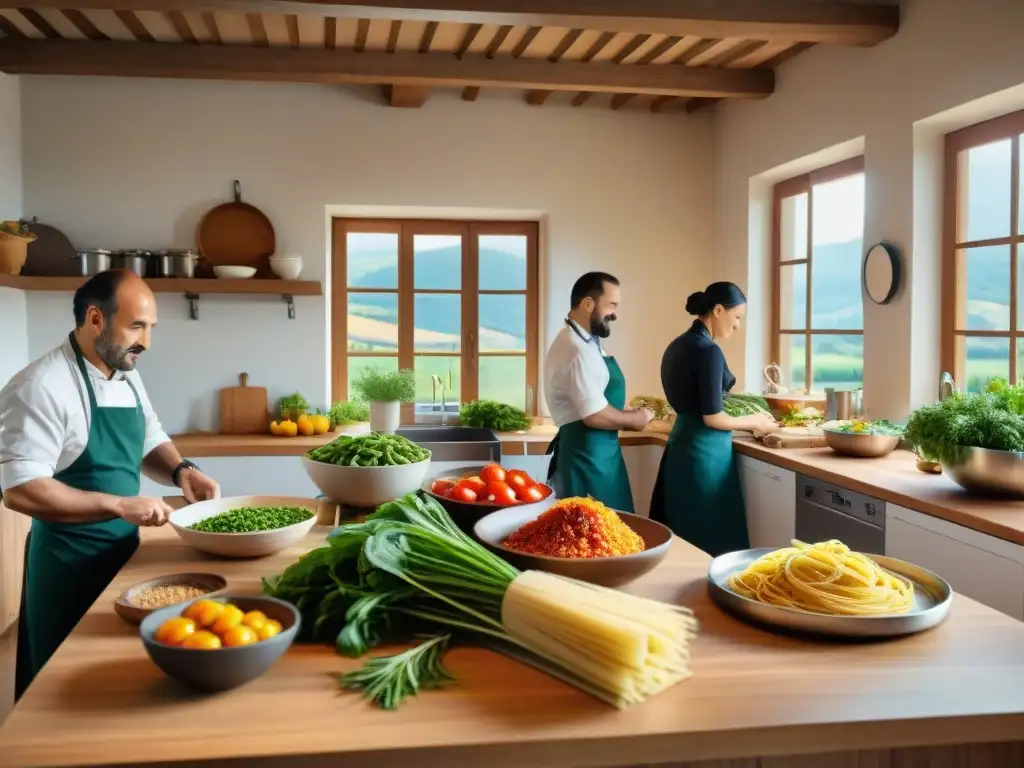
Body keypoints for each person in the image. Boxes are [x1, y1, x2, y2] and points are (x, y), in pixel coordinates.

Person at [0, 269, 221, 699]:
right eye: (137, 326)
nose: (146, 342)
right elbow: (21, 489)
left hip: (125, 555)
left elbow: (149, 436)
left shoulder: (125, 370)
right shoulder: (39, 387)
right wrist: (120, 505)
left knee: (118, 682)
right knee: (59, 690)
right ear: (96, 319)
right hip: (67, 565)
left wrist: (181, 471)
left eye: (151, 327)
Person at [649, 282, 778, 556]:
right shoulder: (709, 351)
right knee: (709, 541)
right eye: (737, 317)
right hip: (705, 457)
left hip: (681, 447)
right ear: (718, 310)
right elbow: (713, 417)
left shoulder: (678, 345)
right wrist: (755, 420)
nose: (738, 326)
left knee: (682, 539)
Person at [543, 272, 653, 512]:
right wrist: (635, 419)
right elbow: (594, 415)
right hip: (587, 462)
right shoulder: (575, 349)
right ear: (587, 304)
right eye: (611, 305)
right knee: (596, 539)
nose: (615, 313)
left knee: (613, 537)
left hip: (600, 457)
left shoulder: (582, 341)